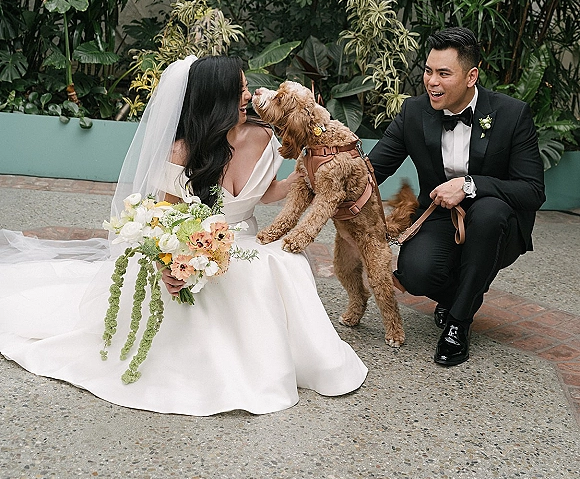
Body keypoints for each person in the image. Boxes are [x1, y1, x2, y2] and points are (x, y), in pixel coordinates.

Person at [0, 55, 367, 415]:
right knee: (225, 282)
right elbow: (164, 216)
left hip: (249, 240)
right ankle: (215, 367)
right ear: (216, 99)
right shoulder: (184, 148)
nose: (248, 95)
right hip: (199, 243)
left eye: (245, 87)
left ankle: (297, 359)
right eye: (239, 90)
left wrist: (301, 180)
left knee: (285, 264)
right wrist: (172, 262)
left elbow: (264, 191)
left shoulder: (264, 136)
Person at [368, 28, 545, 366]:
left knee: (489, 213)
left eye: (443, 73)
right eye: (428, 71)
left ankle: (458, 323)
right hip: (438, 216)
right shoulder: (414, 112)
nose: (432, 81)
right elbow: (373, 169)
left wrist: (468, 185)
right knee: (415, 273)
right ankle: (465, 292)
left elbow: (532, 190)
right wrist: (333, 173)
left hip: (497, 223)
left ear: (470, 76)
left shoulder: (511, 114)